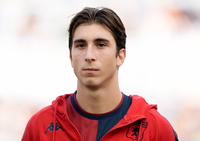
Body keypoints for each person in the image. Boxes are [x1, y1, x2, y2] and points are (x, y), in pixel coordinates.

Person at [22, 7, 179, 141]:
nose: (89, 55)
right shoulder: (40, 126)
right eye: (81, 45)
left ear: (120, 56)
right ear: (71, 57)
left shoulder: (155, 128)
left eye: (101, 45)